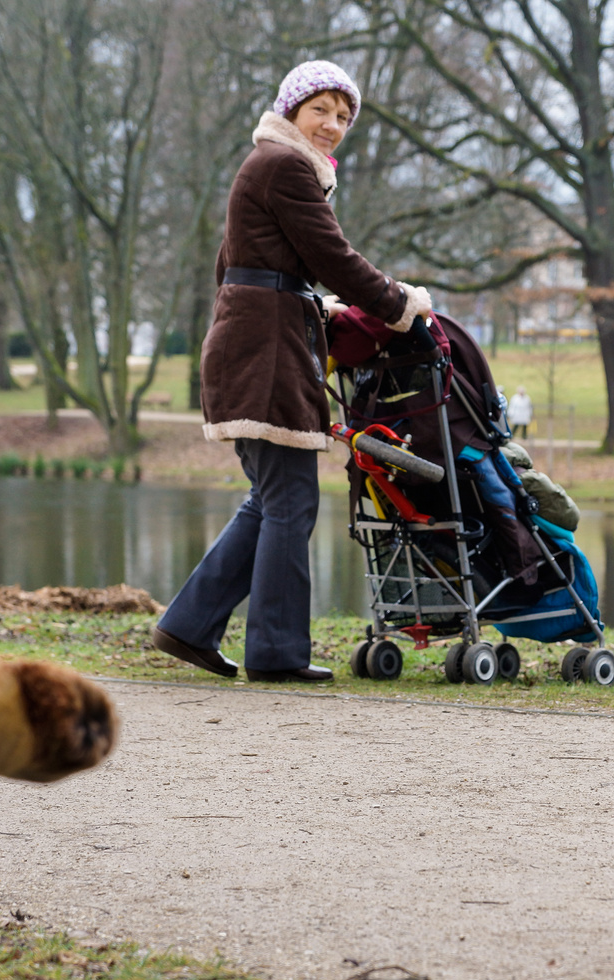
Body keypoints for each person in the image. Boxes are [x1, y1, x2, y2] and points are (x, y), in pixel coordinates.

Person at [153, 60, 432, 684]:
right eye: (321, 111)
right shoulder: (284, 165)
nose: (333, 125)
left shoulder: (269, 167)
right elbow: (332, 254)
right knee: (290, 500)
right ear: (291, 111)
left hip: (258, 343)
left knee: (272, 497)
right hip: (266, 354)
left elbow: (247, 262)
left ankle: (189, 625)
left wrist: (306, 302)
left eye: (343, 116)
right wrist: (397, 305)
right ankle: (276, 652)